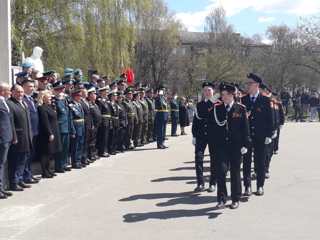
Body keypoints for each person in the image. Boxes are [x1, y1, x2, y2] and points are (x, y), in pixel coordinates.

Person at [211, 83, 250, 209]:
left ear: (232, 95)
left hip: (236, 146)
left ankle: (235, 199)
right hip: (222, 146)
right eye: (221, 95)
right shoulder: (217, 108)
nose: (223, 97)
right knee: (221, 172)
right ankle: (222, 199)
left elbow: (245, 128)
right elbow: (214, 127)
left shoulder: (240, 108)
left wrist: (245, 144)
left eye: (225, 95)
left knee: (235, 173)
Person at [242, 73, 273, 196]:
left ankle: (260, 186)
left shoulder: (265, 100)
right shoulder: (243, 100)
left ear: (257, 85)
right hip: (247, 136)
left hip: (261, 136)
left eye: (250, 83)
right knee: (246, 162)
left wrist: (269, 136)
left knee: (260, 162)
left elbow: (269, 120)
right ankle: (247, 186)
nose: (248, 86)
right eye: (247, 83)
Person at [192, 82, 218, 193]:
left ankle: (212, 183)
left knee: (214, 160)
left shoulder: (218, 104)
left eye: (209, 90)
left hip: (213, 135)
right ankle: (200, 183)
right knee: (198, 159)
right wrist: (194, 135)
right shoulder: (199, 105)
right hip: (201, 135)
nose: (207, 92)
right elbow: (196, 121)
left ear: (213, 92)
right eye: (205, 90)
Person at [7, 85, 33, 191]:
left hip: (26, 137)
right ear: (12, 92)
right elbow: (11, 122)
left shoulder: (24, 103)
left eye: (22, 92)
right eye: (18, 92)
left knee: (23, 159)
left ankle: (20, 179)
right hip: (17, 138)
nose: (20, 94)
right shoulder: (10, 104)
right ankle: (13, 182)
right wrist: (14, 136)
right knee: (15, 161)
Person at [38, 90, 62, 178]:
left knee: (51, 152)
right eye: (48, 98)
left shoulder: (50, 106)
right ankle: (44, 171)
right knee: (46, 153)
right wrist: (49, 133)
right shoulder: (41, 108)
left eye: (50, 98)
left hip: (54, 130)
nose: (50, 99)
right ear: (43, 98)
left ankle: (48, 170)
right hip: (47, 133)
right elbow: (45, 122)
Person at [53, 81, 74, 172]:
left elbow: (69, 115)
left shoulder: (64, 100)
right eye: (59, 90)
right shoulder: (54, 101)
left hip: (66, 127)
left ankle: (64, 163)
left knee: (65, 148)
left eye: (62, 90)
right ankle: (59, 166)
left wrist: (71, 127)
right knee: (60, 148)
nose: (61, 92)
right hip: (60, 128)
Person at [22, 79, 40, 184]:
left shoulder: (31, 99)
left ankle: (29, 174)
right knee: (26, 156)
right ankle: (25, 176)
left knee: (31, 155)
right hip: (28, 132)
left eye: (33, 86)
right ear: (23, 87)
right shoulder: (23, 99)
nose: (32, 88)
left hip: (34, 130)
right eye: (29, 86)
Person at [0, 83, 14, 199]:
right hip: (2, 138)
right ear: (2, 91)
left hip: (7, 137)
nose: (10, 92)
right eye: (8, 90)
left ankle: (2, 188)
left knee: (3, 163)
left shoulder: (4, 102)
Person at [69, 88, 85, 169]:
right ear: (75, 96)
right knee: (75, 145)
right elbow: (71, 119)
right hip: (76, 126)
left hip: (81, 126)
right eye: (79, 96)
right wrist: (73, 130)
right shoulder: (71, 105)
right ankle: (74, 162)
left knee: (80, 144)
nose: (80, 97)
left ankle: (78, 160)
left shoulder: (79, 104)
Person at [96, 86, 111, 157]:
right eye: (105, 92)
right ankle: (101, 151)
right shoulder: (99, 101)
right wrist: (101, 122)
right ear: (101, 92)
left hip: (107, 121)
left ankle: (105, 150)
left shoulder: (106, 101)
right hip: (103, 121)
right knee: (102, 137)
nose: (106, 93)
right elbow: (99, 112)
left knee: (106, 137)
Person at [87, 87, 102, 160]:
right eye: (93, 94)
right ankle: (90, 155)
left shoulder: (95, 104)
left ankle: (94, 153)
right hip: (92, 125)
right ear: (90, 96)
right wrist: (92, 124)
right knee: (91, 141)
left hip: (97, 125)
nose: (95, 95)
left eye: (95, 94)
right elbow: (90, 116)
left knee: (95, 140)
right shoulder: (89, 104)